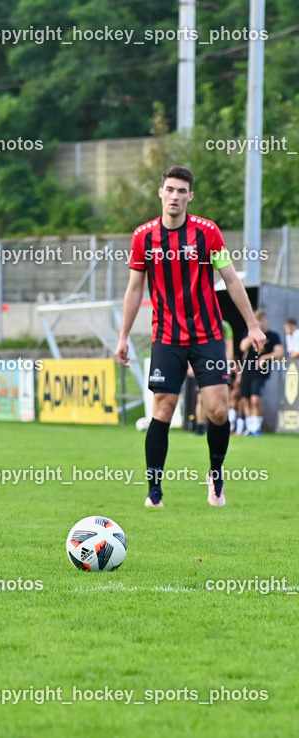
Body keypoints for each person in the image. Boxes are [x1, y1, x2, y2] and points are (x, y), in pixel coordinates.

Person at [116, 165, 265, 508]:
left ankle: (215, 476)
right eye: (170, 189)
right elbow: (134, 289)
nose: (175, 196)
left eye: (182, 191)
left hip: (208, 334)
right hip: (166, 337)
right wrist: (123, 336)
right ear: (160, 192)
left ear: (190, 197)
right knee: (163, 408)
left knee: (217, 410)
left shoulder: (208, 233)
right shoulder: (143, 237)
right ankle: (154, 490)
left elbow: (231, 280)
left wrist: (252, 325)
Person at [238, 309, 284, 436]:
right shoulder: (249, 334)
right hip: (247, 369)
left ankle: (256, 427)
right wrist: (252, 335)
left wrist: (264, 357)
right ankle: (250, 427)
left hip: (260, 371)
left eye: (261, 320)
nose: (260, 323)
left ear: (266, 320)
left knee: (255, 399)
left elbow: (279, 353)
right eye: (257, 321)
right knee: (246, 400)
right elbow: (242, 347)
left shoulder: (273, 336)